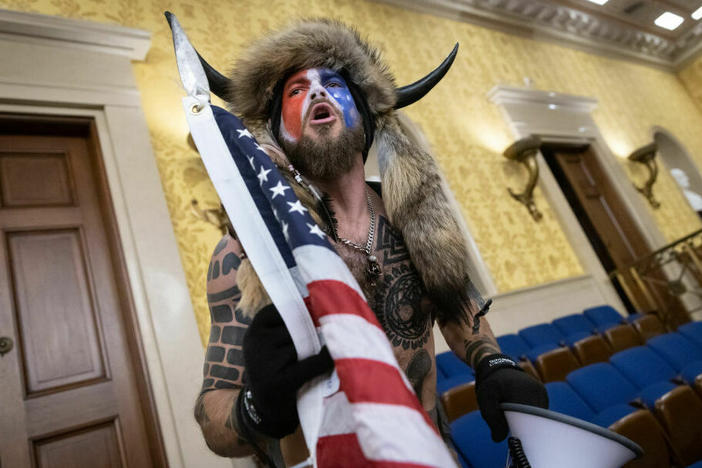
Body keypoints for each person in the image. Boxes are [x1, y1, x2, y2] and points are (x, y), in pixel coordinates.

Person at [192, 19, 548, 466]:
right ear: (276, 131)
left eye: (334, 83)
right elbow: (211, 420)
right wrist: (256, 410)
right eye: (296, 90)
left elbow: (457, 308)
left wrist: (493, 364)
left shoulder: (415, 223)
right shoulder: (246, 252)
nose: (318, 93)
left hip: (431, 453)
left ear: (364, 113)